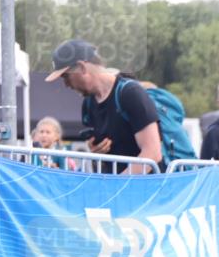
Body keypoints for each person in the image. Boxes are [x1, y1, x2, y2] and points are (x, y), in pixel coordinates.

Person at [46, 39, 162, 174]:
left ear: (82, 67)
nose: (66, 84)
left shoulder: (130, 93)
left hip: (145, 190)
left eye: (66, 76)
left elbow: (153, 153)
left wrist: (117, 186)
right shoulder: (89, 103)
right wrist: (95, 149)